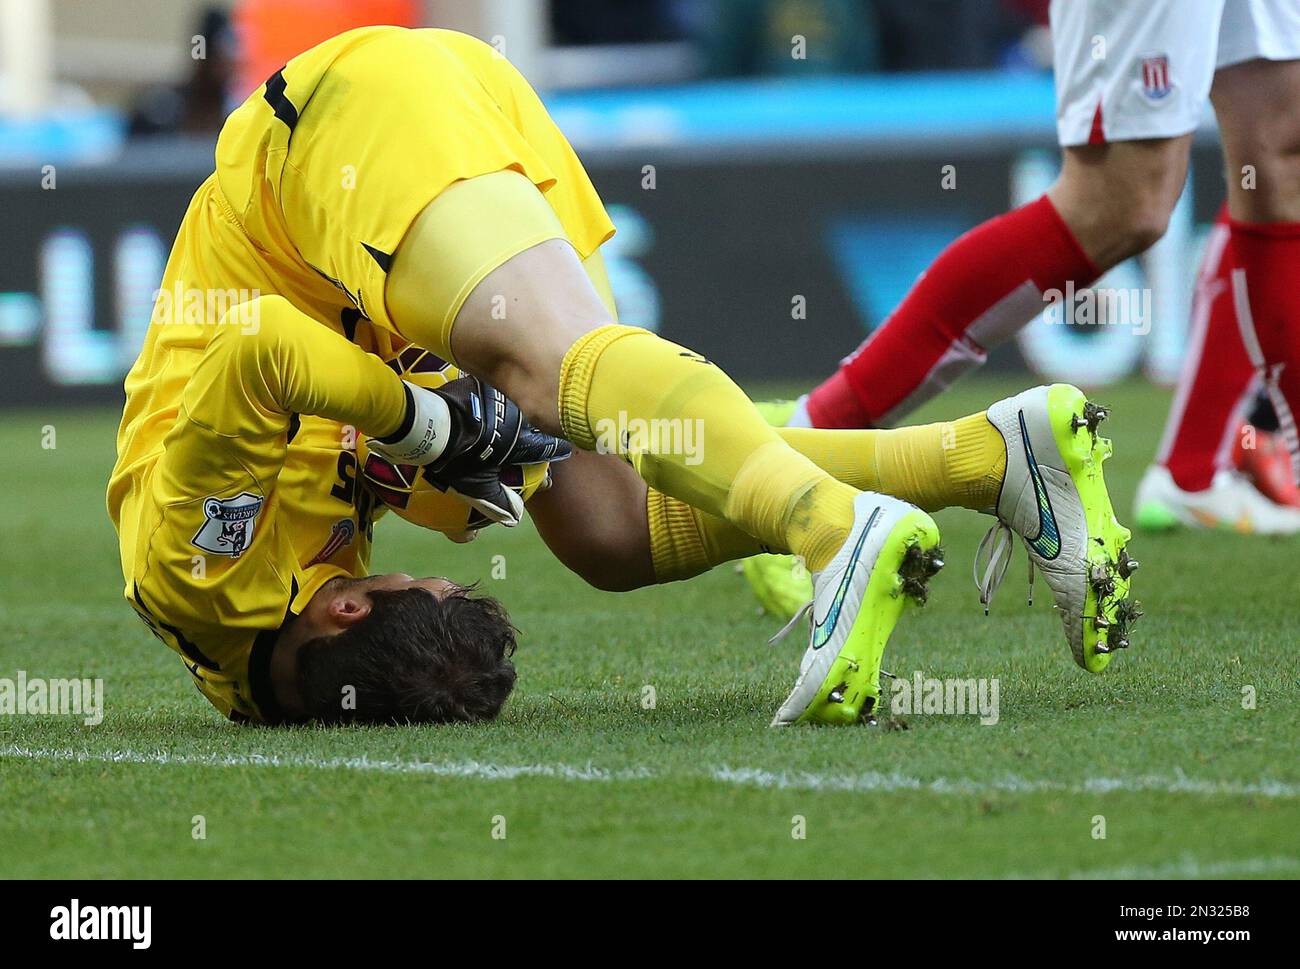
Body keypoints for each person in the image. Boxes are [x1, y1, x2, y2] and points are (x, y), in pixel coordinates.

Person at [107, 27, 1136, 728]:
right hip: (417, 199)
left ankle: (828, 526)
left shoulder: (201, 572)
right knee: (610, 525)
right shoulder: (284, 656)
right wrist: (446, 449)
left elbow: (259, 351)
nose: (388, 564)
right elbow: (351, 452)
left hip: (340, 148)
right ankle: (986, 458)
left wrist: (424, 427)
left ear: (341, 614)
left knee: (547, 371)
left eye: (397, 579)